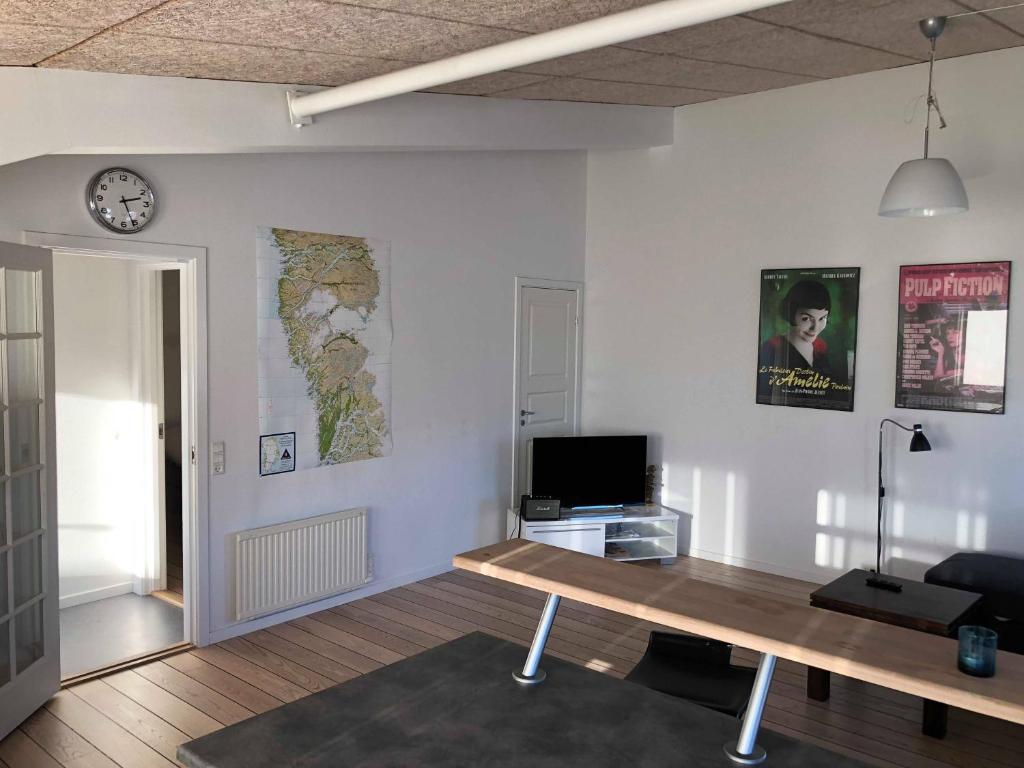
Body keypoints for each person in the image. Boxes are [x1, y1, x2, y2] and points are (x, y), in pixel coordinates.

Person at [757, 280, 843, 401]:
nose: (815, 328)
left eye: (822, 318)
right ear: (791, 313)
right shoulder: (772, 348)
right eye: (806, 318)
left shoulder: (821, 347)